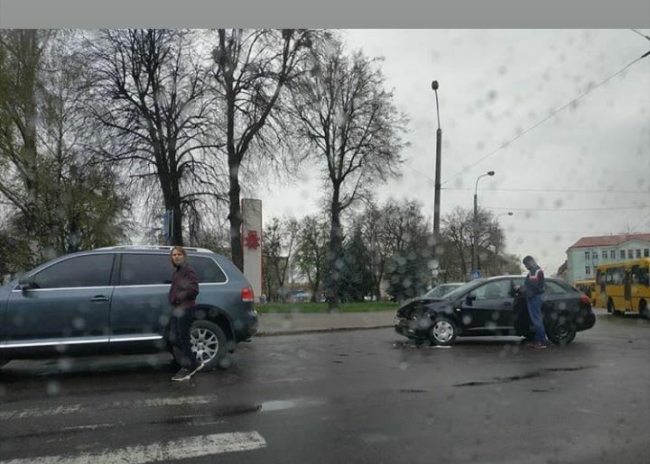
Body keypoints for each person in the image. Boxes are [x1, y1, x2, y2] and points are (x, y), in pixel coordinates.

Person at [168, 246, 203, 381]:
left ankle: (188, 367)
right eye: (174, 255)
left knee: (183, 338)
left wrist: (178, 297)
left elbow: (194, 289)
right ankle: (194, 362)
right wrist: (172, 298)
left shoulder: (188, 270)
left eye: (179, 254)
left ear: (184, 256)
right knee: (174, 337)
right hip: (177, 309)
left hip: (186, 308)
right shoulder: (177, 272)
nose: (176, 257)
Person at [522, 255, 548, 349]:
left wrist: (523, 290)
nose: (525, 267)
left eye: (525, 265)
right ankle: (539, 340)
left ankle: (541, 341)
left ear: (529, 263)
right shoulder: (537, 269)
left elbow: (532, 286)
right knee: (537, 319)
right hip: (537, 296)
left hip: (535, 297)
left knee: (536, 319)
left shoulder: (534, 271)